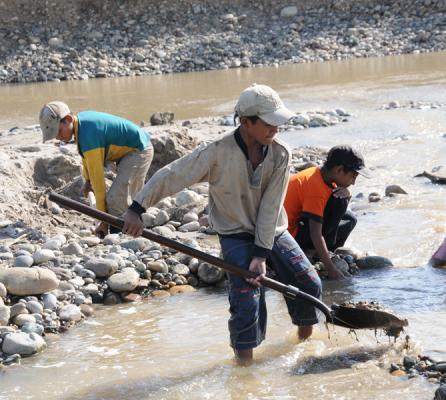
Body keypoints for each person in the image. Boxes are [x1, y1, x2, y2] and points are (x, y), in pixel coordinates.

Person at [121, 84, 322, 364]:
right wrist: (136, 208)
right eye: (268, 123)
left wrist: (261, 254)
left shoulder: (280, 154)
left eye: (277, 122)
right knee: (246, 302)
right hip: (235, 233)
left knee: (309, 284)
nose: (275, 128)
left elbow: (270, 207)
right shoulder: (217, 152)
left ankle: (304, 349)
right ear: (246, 122)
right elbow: (174, 175)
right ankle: (244, 370)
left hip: (273, 231)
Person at [39, 101, 154, 238]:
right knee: (120, 196)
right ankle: (127, 227)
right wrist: (87, 181)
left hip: (139, 150)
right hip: (126, 152)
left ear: (68, 120)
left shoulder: (88, 134)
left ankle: (122, 236)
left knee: (115, 199)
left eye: (58, 132)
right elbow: (85, 157)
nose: (58, 137)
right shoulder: (81, 125)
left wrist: (103, 222)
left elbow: (99, 188)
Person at [284, 145, 367, 279]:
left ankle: (324, 252)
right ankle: (315, 254)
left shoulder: (321, 174)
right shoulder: (315, 187)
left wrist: (347, 196)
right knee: (340, 202)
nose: (354, 183)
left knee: (350, 218)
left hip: (298, 224)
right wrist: (331, 269)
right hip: (289, 237)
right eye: (353, 177)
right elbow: (315, 233)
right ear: (339, 170)